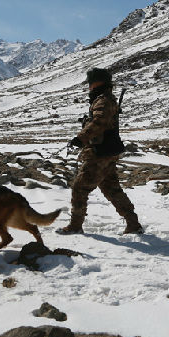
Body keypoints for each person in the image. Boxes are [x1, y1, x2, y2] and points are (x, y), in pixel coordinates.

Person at [57, 68, 143, 235]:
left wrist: (81, 137)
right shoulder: (104, 99)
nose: (89, 86)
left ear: (97, 82)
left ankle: (75, 226)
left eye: (91, 83)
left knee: (79, 188)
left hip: (100, 153)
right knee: (112, 189)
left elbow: (99, 122)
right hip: (107, 152)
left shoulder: (102, 101)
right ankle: (133, 224)